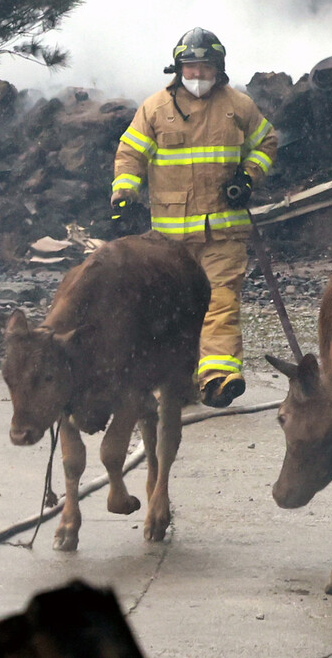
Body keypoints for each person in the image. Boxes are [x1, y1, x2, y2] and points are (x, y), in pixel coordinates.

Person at [111, 28, 277, 409]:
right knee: (171, 308)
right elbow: (130, 154)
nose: (198, 75)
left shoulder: (239, 106)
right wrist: (123, 194)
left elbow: (267, 142)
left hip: (223, 232)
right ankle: (173, 381)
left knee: (221, 302)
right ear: (178, 68)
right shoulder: (155, 109)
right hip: (169, 240)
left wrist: (247, 176)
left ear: (219, 69)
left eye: (205, 67)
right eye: (191, 67)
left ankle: (218, 378)